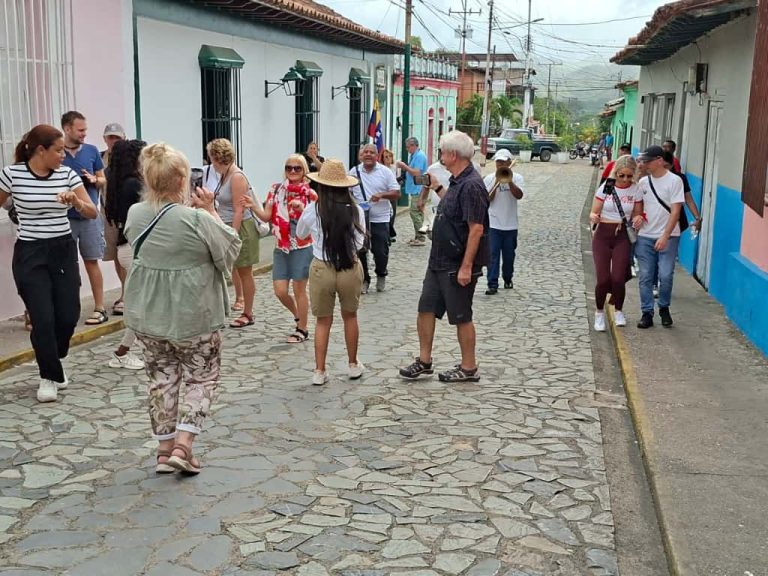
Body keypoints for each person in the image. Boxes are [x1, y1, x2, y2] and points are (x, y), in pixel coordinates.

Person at [124, 142, 241, 475]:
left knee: (161, 380)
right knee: (201, 378)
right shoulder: (195, 219)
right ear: (180, 180)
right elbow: (229, 248)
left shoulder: (136, 213)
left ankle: (164, 451)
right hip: (195, 315)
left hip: (151, 315)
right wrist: (210, 211)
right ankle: (184, 445)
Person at [0, 125, 98, 402]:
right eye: (58, 151)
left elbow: (92, 212)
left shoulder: (66, 175)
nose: (63, 156)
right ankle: (49, 376)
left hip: (62, 250)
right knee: (42, 318)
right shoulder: (11, 174)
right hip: (30, 252)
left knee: (67, 316)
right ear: (40, 150)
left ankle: (54, 358)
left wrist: (75, 202)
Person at [399, 130, 488, 383]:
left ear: (452, 154)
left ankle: (469, 367)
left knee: (461, 315)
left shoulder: (471, 184)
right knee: (426, 308)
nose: (440, 155)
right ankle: (424, 360)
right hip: (438, 259)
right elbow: (453, 205)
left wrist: (466, 266)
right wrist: (436, 186)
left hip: (456, 261)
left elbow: (476, 229)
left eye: (442, 151)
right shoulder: (458, 180)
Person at [295, 159, 366, 386]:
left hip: (321, 268)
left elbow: (300, 233)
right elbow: (360, 241)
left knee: (322, 321)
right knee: (350, 316)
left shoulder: (313, 209)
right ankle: (353, 364)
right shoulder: (354, 209)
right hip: (349, 266)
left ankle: (319, 370)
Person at [243, 154, 316, 343]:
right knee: (280, 291)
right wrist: (253, 207)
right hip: (281, 246)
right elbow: (267, 216)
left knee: (299, 290)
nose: (292, 171)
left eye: (297, 168)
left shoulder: (310, 194)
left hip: (301, 246)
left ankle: (302, 329)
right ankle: (299, 316)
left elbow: (313, 223)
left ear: (304, 171)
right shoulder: (276, 191)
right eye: (288, 167)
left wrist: (302, 210)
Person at [61, 111, 108, 325]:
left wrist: (94, 179)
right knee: (65, 264)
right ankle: (67, 308)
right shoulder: (56, 151)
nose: (84, 134)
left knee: (92, 261)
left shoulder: (91, 151)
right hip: (64, 218)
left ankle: (99, 307)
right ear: (67, 129)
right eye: (80, 130)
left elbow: (102, 179)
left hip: (89, 216)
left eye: (85, 130)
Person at [207, 138, 260, 328]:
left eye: (211, 156)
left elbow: (239, 209)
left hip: (241, 227)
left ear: (216, 156)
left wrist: (232, 235)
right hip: (228, 224)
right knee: (236, 269)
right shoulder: (224, 174)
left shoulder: (236, 176)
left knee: (245, 270)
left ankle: (248, 312)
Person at [103, 139, 147, 370]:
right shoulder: (133, 185)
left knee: (142, 303)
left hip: (126, 248)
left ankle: (127, 349)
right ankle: (122, 351)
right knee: (140, 305)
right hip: (133, 248)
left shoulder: (119, 182)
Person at [589, 155, 644, 331]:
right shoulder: (607, 187)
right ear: (616, 173)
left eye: (629, 176)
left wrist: (638, 218)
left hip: (622, 236)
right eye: (622, 176)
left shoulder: (635, 190)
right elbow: (593, 211)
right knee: (603, 279)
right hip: (603, 234)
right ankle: (599, 313)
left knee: (619, 278)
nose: (625, 180)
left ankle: (618, 309)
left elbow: (637, 213)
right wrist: (594, 217)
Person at [635, 145, 685, 329]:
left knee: (665, 275)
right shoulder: (643, 183)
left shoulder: (674, 181)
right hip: (645, 236)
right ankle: (646, 312)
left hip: (669, 237)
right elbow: (638, 208)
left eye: (647, 161)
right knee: (645, 276)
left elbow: (675, 211)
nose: (644, 164)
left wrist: (665, 236)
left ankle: (664, 307)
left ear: (659, 160)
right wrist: (637, 218)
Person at [350, 144, 400, 293]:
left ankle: (381, 273)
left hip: (380, 218)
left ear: (377, 156)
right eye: (365, 152)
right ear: (361, 156)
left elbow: (397, 193)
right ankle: (364, 279)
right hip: (361, 218)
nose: (368, 155)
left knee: (380, 251)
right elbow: (347, 190)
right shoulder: (354, 171)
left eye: (372, 152)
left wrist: (382, 195)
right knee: (361, 250)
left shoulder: (385, 172)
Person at [483, 149, 524, 295]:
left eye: (503, 162)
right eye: (498, 162)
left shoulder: (517, 177)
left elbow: (519, 196)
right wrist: (496, 181)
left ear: (508, 162)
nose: (500, 165)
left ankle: (508, 278)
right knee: (492, 255)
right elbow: (487, 199)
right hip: (493, 224)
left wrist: (509, 181)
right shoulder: (489, 178)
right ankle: (492, 284)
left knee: (508, 256)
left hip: (511, 224)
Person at [100, 123, 127, 316]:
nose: (113, 141)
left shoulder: (130, 159)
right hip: (107, 214)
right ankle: (124, 291)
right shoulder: (100, 159)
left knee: (126, 253)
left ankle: (127, 295)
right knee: (116, 255)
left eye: (117, 137)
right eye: (110, 137)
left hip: (126, 213)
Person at [396, 137, 429, 246]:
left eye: (408, 147)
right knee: (418, 212)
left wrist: (404, 166)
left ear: (413, 145)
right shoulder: (414, 155)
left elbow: (417, 173)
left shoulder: (419, 156)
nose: (407, 149)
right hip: (415, 187)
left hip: (418, 188)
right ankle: (418, 236)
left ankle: (421, 237)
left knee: (414, 212)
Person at [662, 151, 702, 233]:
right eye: (661, 166)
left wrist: (697, 218)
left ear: (672, 165)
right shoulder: (650, 178)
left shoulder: (680, 179)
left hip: (675, 222)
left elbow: (689, 199)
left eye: (666, 166)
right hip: (654, 222)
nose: (664, 170)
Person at [380, 148, 399, 242]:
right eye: (385, 157)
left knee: (393, 214)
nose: (388, 158)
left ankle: (390, 233)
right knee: (386, 213)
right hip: (384, 193)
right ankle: (386, 234)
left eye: (389, 156)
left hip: (392, 193)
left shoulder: (394, 167)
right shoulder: (381, 169)